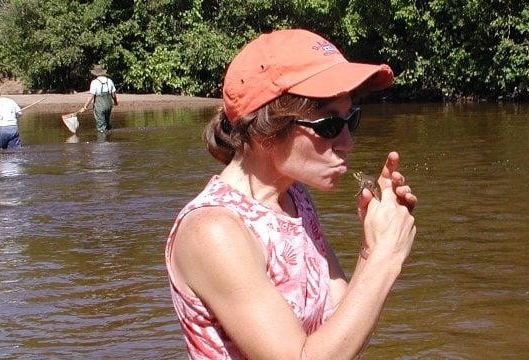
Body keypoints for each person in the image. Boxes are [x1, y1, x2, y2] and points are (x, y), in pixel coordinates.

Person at [165, 29, 418, 359]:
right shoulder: (213, 231)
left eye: (350, 119)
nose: (347, 142)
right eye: (329, 124)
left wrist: (371, 246)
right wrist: (387, 258)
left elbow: (343, 330)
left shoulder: (294, 199)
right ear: (265, 132)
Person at [79, 64, 119, 132]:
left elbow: (91, 96)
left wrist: (84, 107)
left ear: (95, 74)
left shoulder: (94, 82)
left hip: (100, 106)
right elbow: (113, 94)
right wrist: (115, 102)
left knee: (101, 127)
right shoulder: (109, 81)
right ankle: (109, 138)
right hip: (109, 105)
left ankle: (102, 140)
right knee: (107, 122)